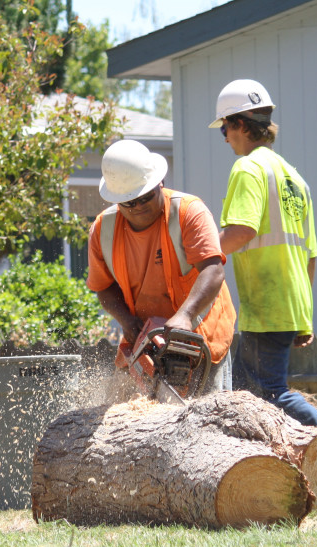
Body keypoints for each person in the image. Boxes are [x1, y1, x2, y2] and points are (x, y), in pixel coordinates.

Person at [211, 78, 317, 498]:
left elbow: (241, 230)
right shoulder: (295, 179)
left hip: (265, 304)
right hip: (289, 303)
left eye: (224, 129)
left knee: (269, 394)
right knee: (257, 395)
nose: (224, 138)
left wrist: (197, 253)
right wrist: (303, 316)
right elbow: (310, 254)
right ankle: (279, 477)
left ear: (239, 124)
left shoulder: (248, 168)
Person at [87, 139, 237, 397]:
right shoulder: (104, 230)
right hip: (146, 341)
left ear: (160, 183)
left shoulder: (188, 212)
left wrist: (185, 315)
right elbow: (103, 289)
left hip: (199, 335)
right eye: (130, 203)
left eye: (145, 198)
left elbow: (213, 270)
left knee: (207, 422)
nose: (139, 209)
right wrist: (127, 321)